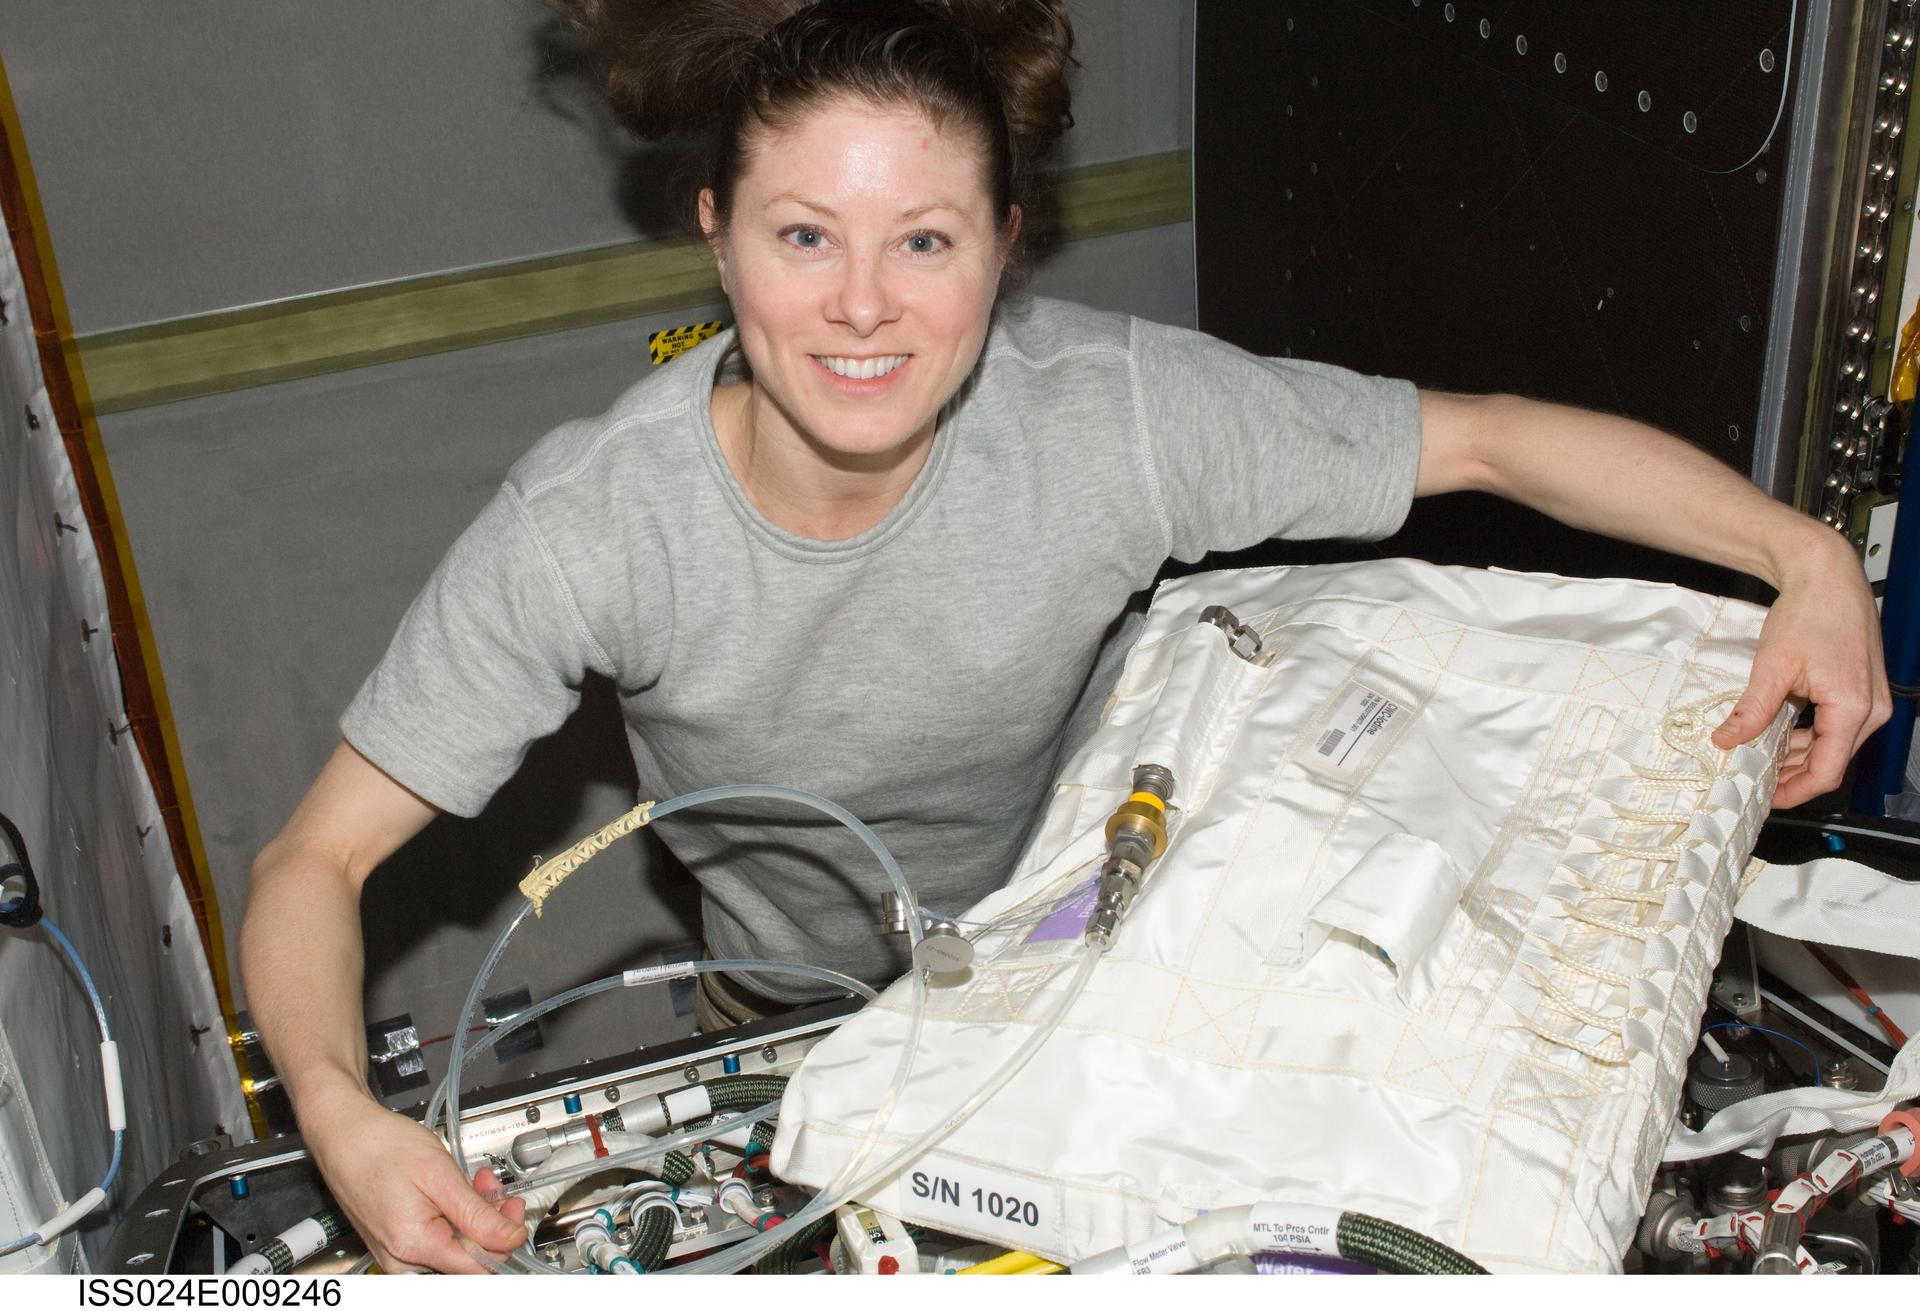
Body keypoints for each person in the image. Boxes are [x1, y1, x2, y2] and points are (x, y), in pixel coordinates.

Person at [239, 0, 1889, 1274]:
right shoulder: (591, 526)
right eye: (806, 235)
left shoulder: (1115, 417)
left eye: (926, 240)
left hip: (1117, 996)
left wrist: (1805, 555)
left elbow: (1489, 442)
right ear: (716, 233)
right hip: (793, 1035)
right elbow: (314, 863)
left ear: (1005, 247)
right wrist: (337, 1113)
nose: (863, 304)